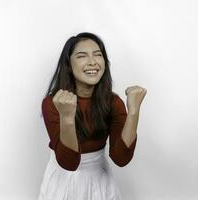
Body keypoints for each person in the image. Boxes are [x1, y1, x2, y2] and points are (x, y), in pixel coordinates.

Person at [38, 32, 147, 200]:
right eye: (82, 56)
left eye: (98, 55)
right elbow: (69, 163)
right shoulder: (53, 103)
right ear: (68, 64)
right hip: (64, 180)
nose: (92, 62)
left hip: (101, 179)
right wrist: (67, 118)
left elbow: (121, 158)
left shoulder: (112, 102)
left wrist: (133, 112)